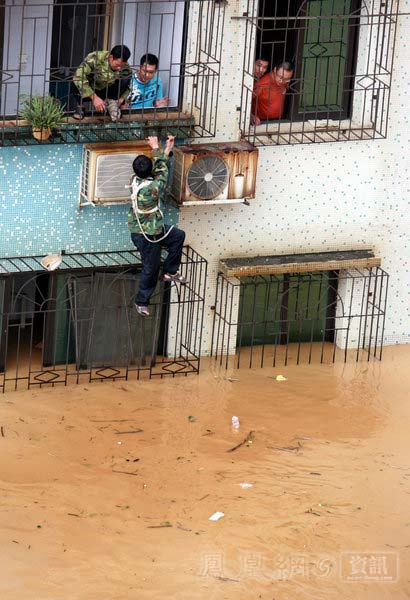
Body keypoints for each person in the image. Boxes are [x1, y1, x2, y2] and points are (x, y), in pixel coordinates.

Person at [129, 135, 186, 317]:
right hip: (147, 234)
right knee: (150, 268)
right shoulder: (153, 187)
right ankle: (141, 302)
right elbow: (162, 171)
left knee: (178, 236)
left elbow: (158, 169)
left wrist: (166, 150)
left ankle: (170, 272)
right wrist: (156, 147)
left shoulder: (135, 180)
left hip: (154, 229)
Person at [72, 45, 132, 121]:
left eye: (121, 65)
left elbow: (129, 84)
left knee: (125, 79)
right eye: (117, 65)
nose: (119, 68)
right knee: (76, 82)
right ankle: (80, 106)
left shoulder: (125, 66)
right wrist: (94, 98)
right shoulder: (96, 57)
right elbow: (78, 76)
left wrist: (122, 98)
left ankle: (112, 103)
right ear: (110, 58)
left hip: (107, 90)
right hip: (91, 87)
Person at [251, 61, 294, 125]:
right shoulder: (261, 85)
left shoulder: (285, 82)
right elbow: (245, 102)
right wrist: (251, 116)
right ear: (275, 70)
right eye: (280, 77)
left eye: (286, 79)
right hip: (263, 122)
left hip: (280, 121)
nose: (282, 81)